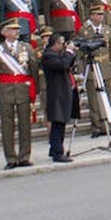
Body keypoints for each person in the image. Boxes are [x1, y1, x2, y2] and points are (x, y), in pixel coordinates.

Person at [0, 18, 37, 170]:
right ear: (4, 32)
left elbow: (33, 69)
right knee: (7, 126)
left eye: (17, 29)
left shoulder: (26, 47)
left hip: (23, 89)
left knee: (25, 124)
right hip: (5, 90)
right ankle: (10, 158)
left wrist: (36, 90)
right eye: (13, 29)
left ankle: (24, 156)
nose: (17, 31)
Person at [78, 3, 111, 138]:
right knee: (93, 99)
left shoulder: (107, 29)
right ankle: (96, 126)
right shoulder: (85, 31)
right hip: (91, 65)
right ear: (92, 16)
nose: (100, 17)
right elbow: (81, 53)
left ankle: (108, 124)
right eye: (98, 14)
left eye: (102, 14)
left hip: (104, 65)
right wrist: (81, 70)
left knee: (107, 98)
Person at [40, 34, 78, 163]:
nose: (63, 46)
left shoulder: (57, 55)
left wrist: (71, 53)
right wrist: (68, 52)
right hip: (57, 93)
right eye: (61, 43)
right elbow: (62, 65)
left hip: (62, 92)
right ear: (55, 44)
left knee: (61, 122)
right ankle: (57, 152)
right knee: (57, 123)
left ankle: (54, 149)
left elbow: (68, 64)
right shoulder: (48, 55)